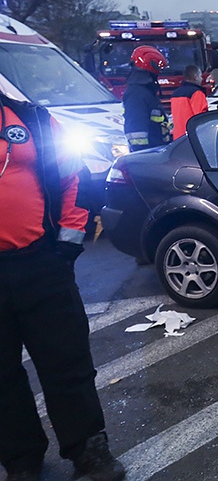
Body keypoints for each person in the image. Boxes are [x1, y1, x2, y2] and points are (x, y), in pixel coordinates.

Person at [0, 89, 126, 481]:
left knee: (66, 362)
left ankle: (88, 449)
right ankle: (20, 459)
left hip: (40, 263)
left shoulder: (32, 120)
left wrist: (66, 248)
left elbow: (73, 175)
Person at [122, 46, 171, 151]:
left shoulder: (144, 91)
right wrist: (142, 154)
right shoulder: (136, 94)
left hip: (155, 150)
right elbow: (136, 132)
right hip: (146, 153)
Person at [170, 64, 208, 139]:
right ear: (195, 77)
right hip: (193, 137)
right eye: (200, 76)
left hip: (178, 138)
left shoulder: (175, 94)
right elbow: (201, 118)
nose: (202, 79)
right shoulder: (197, 93)